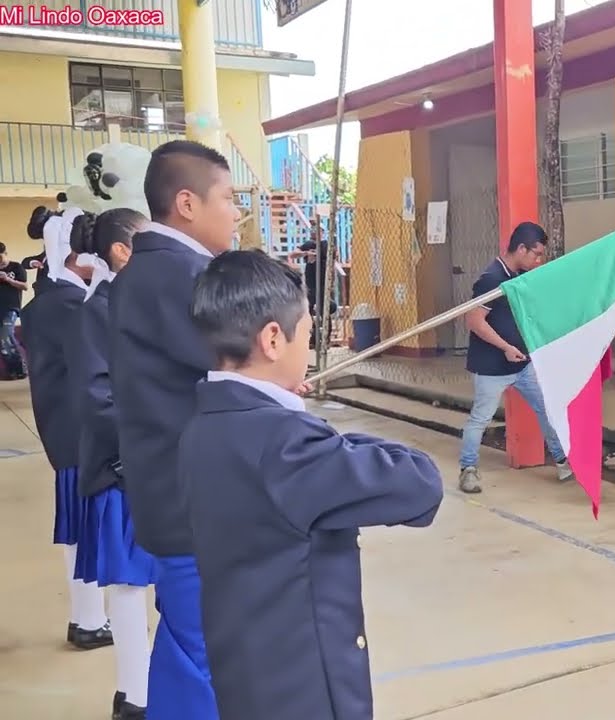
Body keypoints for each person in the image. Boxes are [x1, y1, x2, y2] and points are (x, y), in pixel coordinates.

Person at [182, 249, 445, 720]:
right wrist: (306, 423)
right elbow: (419, 484)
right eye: (307, 333)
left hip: (244, 671)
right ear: (273, 340)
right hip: (303, 686)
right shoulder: (286, 443)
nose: (310, 346)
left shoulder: (205, 424)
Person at [109, 139, 240, 719]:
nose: (237, 212)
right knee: (208, 651)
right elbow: (233, 371)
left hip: (170, 490)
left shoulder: (155, 269)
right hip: (192, 499)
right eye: (230, 198)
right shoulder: (181, 274)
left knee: (188, 645)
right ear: (187, 202)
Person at [68, 209, 155, 720]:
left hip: (151, 462)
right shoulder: (96, 311)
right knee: (127, 585)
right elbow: (98, 399)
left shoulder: (140, 305)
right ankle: (136, 694)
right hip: (123, 465)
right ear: (122, 252)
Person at [20, 206, 114, 648]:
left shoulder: (47, 302)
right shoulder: (74, 306)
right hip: (81, 432)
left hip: (62, 428)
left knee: (79, 532)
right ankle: (90, 620)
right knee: (89, 531)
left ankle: (86, 617)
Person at [458, 221, 570, 494]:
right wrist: (505, 346)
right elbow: (474, 320)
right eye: (536, 254)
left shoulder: (518, 275)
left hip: (521, 363)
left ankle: (563, 461)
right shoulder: (492, 278)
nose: (538, 260)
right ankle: (468, 469)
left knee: (545, 409)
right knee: (480, 419)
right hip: (491, 367)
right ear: (521, 249)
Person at [0, 240, 29, 380]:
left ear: (5, 254)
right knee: (2, 340)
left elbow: (25, 286)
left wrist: (8, 280)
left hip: (11, 308)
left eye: (0, 257)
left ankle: (20, 366)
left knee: (6, 335)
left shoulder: (16, 267)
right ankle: (11, 371)